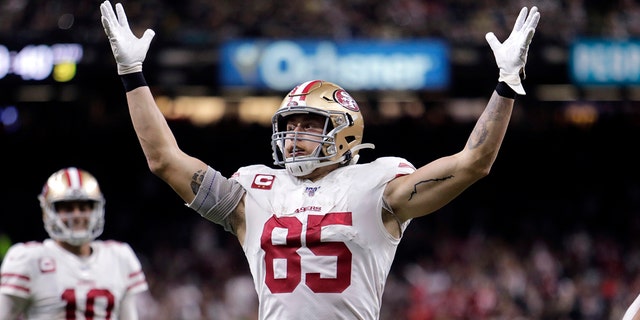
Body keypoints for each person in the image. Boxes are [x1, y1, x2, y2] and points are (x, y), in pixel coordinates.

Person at [99, 1, 540, 318]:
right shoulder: (254, 189)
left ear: (344, 131)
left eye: (310, 125)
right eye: (289, 126)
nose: (294, 136)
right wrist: (131, 76)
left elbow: (473, 163)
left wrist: (506, 84)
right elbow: (164, 160)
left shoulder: (378, 184)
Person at [0, 167, 148, 319]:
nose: (77, 215)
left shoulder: (120, 256)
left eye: (84, 207)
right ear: (48, 211)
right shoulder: (28, 259)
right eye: (67, 208)